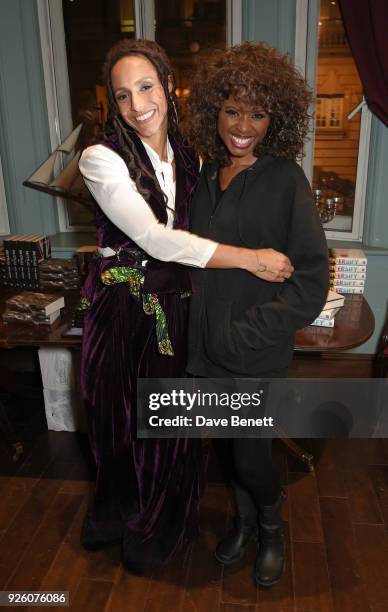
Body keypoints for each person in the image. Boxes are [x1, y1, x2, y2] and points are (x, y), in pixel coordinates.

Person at [78, 38, 293, 575]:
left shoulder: (193, 152)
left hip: (175, 308)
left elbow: (222, 210)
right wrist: (250, 259)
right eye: (123, 95)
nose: (137, 105)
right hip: (122, 310)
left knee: (169, 426)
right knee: (118, 424)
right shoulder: (100, 158)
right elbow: (155, 239)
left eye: (146, 87)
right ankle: (118, 518)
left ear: (169, 86)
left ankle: (160, 526)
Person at [185, 42, 329, 586]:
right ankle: (245, 523)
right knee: (229, 451)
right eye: (232, 111)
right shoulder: (201, 179)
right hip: (206, 350)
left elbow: (312, 280)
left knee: (250, 458)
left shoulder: (286, 179)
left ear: (277, 118)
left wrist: (243, 335)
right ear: (213, 113)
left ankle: (271, 527)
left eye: (258, 113)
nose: (243, 125)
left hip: (254, 351)